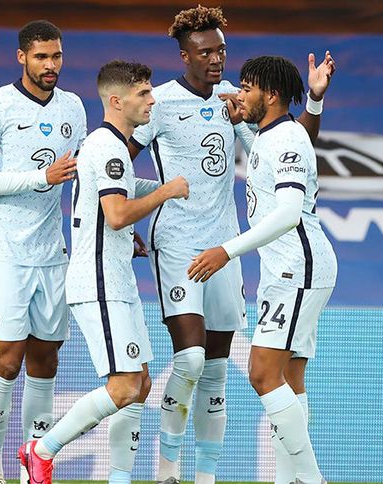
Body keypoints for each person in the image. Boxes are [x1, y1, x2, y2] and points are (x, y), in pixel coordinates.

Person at [127, 6, 335, 484]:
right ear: (185, 56)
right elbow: (118, 158)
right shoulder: (159, 103)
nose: (217, 60)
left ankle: (208, 476)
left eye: (221, 50)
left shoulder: (234, 103)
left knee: (220, 370)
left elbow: (290, 141)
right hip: (180, 246)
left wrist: (314, 101)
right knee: (192, 360)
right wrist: (124, 216)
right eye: (205, 52)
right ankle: (167, 470)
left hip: (230, 248)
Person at [18, 60, 189, 484]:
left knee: (140, 383)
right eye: (143, 93)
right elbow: (116, 214)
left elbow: (116, 202)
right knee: (125, 385)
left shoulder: (109, 144)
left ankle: (118, 478)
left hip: (116, 279)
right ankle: (41, 449)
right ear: (116, 101)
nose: (152, 100)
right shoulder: (109, 147)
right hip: (99, 282)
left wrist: (154, 197)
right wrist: (167, 191)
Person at [188, 55, 338, 484]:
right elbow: (287, 138)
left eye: (248, 88)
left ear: (271, 95)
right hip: (287, 270)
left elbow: (289, 213)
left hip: (298, 269)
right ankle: (286, 479)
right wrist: (313, 100)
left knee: (262, 373)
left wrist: (227, 251)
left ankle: (311, 479)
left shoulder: (285, 137)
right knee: (288, 378)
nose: (240, 94)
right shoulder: (271, 134)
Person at [0, 20, 86, 484]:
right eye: (41, 57)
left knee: (45, 361)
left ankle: (33, 469)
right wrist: (42, 177)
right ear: (22, 57)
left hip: (51, 252)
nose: (50, 65)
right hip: (3, 251)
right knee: (6, 360)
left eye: (56, 56)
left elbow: (84, 179)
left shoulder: (73, 107)